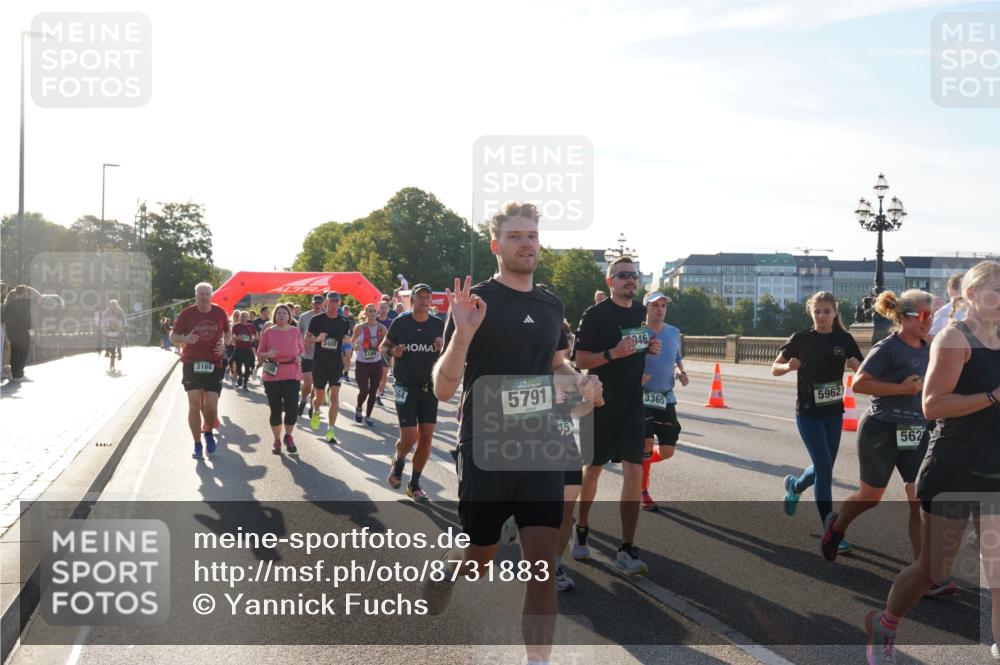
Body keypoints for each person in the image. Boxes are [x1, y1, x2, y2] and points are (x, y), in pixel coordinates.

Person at [422, 202, 601, 665]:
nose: (527, 243)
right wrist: (462, 336)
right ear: (495, 245)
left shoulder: (550, 304)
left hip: (541, 440)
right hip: (485, 442)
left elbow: (553, 362)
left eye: (533, 235)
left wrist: (578, 380)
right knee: (482, 555)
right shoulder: (475, 303)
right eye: (517, 235)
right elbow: (443, 389)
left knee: (540, 563)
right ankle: (454, 570)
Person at [864, 261, 1000, 664]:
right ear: (972, 296)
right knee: (933, 569)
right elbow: (932, 405)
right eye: (995, 291)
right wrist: (993, 396)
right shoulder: (954, 340)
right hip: (954, 467)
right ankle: (884, 624)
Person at [572, 256, 662, 575]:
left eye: (633, 276)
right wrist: (613, 353)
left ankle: (626, 547)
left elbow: (642, 343)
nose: (630, 280)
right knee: (593, 470)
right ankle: (581, 527)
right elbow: (580, 359)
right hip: (598, 402)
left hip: (632, 404)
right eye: (623, 275)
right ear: (611, 282)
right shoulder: (596, 315)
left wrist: (648, 347)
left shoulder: (641, 314)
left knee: (634, 472)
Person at [773, 291, 864, 543]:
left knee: (824, 467)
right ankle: (831, 530)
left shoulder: (843, 339)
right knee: (825, 469)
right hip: (808, 413)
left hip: (834, 413)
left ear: (835, 312)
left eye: (827, 311)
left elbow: (863, 370)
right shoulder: (800, 339)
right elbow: (774, 368)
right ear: (811, 312)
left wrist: (858, 367)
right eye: (817, 311)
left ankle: (795, 486)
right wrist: (787, 366)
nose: (822, 316)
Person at [382, 283, 444, 501]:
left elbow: (448, 355)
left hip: (429, 388)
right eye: (421, 297)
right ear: (413, 300)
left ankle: (415, 484)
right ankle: (399, 461)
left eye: (428, 297)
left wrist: (442, 347)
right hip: (404, 387)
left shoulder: (438, 325)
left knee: (426, 437)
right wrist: (393, 352)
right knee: (409, 438)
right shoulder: (401, 322)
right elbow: (383, 347)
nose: (425, 301)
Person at [639, 291, 688, 512]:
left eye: (663, 305)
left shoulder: (674, 332)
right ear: (646, 308)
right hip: (642, 395)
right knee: (647, 444)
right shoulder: (638, 333)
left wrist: (682, 372)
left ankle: (638, 465)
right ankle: (642, 490)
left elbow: (677, 359)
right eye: (655, 305)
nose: (660, 309)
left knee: (667, 450)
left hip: (666, 396)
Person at [170, 283, 231, 459]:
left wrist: (224, 345)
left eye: (207, 294)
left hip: (214, 363)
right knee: (194, 404)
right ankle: (197, 444)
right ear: (195, 295)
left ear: (211, 295)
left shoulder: (219, 312)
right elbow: (173, 337)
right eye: (201, 294)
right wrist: (185, 338)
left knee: (211, 406)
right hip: (191, 363)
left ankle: (209, 431)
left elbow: (228, 332)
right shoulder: (187, 313)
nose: (204, 296)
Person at [257, 304, 305, 455]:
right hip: (272, 374)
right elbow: (259, 353)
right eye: (279, 313)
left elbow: (302, 351)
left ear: (289, 316)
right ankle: (277, 440)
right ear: (275, 316)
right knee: (276, 410)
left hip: (291, 373)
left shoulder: (295, 331)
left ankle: (288, 436)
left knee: (291, 409)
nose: (282, 315)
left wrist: (299, 357)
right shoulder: (268, 332)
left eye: (285, 313)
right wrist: (268, 354)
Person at [306, 291, 352, 443]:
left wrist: (347, 354)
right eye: (330, 301)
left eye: (336, 301)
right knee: (318, 398)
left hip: (336, 364)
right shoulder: (317, 320)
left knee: (334, 397)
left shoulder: (345, 322)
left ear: (340, 302)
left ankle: (330, 430)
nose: (333, 304)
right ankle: (316, 411)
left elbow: (347, 342)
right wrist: (317, 339)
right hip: (319, 363)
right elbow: (306, 339)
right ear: (326, 302)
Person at [351, 303, 388, 427]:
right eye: (370, 311)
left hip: (376, 363)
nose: (372, 313)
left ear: (377, 313)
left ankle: (368, 416)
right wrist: (355, 345)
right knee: (364, 390)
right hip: (362, 363)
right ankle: (359, 407)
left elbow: (388, 343)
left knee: (373, 391)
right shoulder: (359, 328)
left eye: (374, 311)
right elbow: (352, 342)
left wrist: (385, 348)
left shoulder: (382, 328)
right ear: (365, 313)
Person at [2, 285, 46, 382]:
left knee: (14, 352)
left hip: (12, 332)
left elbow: (5, 319)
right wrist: (30, 288)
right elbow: (40, 298)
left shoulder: (9, 304)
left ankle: (14, 375)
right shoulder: (26, 302)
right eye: (26, 292)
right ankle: (19, 375)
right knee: (24, 352)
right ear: (24, 293)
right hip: (22, 331)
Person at [297, 295, 324, 417]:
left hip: (322, 356)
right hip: (307, 355)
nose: (317, 305)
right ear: (312, 304)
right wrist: (302, 345)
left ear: (324, 304)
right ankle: (303, 399)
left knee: (317, 386)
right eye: (315, 303)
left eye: (320, 303)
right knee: (308, 383)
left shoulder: (327, 316)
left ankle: (312, 407)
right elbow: (297, 335)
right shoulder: (304, 317)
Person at [231, 311, 258, 390]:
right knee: (238, 367)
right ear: (239, 317)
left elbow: (256, 336)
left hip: (247, 349)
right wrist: (236, 338)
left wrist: (252, 339)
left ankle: (245, 383)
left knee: (247, 367)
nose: (243, 318)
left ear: (248, 318)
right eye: (242, 316)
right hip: (239, 349)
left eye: (245, 316)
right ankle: (240, 376)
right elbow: (232, 335)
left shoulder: (251, 326)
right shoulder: (236, 326)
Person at [375, 301, 394, 405]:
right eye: (381, 307)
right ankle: (373, 391)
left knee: (384, 373)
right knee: (372, 374)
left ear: (388, 310)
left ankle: (378, 395)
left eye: (385, 308)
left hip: (385, 351)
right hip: (372, 350)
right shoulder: (373, 320)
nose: (383, 310)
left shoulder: (391, 322)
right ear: (378, 308)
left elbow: (394, 337)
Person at [102, 299, 127, 372]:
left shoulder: (120, 311)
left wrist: (124, 326)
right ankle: (106, 351)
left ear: (117, 305)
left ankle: (119, 352)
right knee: (106, 337)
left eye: (115, 305)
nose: (113, 306)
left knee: (120, 338)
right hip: (110, 328)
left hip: (118, 328)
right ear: (110, 305)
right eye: (112, 305)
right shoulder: (107, 311)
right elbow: (103, 319)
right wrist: (102, 326)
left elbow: (124, 319)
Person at [225, 310, 240, 382]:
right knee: (230, 360)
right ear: (233, 316)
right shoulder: (230, 324)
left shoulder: (242, 325)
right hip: (230, 345)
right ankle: (230, 370)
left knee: (236, 361)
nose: (237, 317)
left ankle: (233, 375)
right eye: (235, 315)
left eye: (238, 315)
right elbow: (226, 334)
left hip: (239, 346)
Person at [341, 305, 355, 383]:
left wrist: (353, 339)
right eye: (345, 310)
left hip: (349, 340)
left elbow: (353, 329)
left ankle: (346, 374)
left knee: (348, 357)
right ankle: (342, 373)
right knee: (343, 357)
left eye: (347, 310)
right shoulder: (340, 318)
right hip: (341, 340)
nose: (346, 311)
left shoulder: (351, 319)